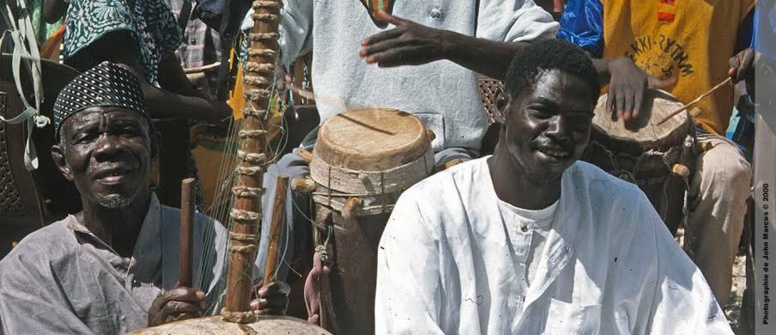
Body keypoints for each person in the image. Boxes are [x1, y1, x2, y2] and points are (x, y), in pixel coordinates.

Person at [374, 40, 732, 334]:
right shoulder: (428, 212)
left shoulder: (622, 210)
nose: (560, 131)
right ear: (502, 107)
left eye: (577, 120)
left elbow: (693, 320)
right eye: (542, 111)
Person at [247, 0, 559, 297]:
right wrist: (266, 55)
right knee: (279, 181)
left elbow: (544, 57)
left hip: (442, 152)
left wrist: (444, 44)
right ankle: (263, 307)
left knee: (466, 211)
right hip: (330, 151)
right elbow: (265, 28)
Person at [0, 62, 286, 335]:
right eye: (87, 137)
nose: (109, 146)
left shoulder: (208, 237)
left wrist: (260, 315)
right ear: (63, 162)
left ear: (154, 147)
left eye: (126, 131)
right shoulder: (30, 268)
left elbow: (242, 319)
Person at [557, 0, 755, 307]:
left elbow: (758, 55)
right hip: (609, 127)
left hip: (700, 129)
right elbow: (567, 59)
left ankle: (705, 312)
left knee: (729, 173)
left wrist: (753, 61)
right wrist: (612, 69)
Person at [42, 0, 230, 122]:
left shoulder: (149, 4)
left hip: (137, 128)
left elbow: (172, 77)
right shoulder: (102, 6)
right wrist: (209, 110)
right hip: (102, 134)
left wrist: (216, 110)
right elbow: (133, 91)